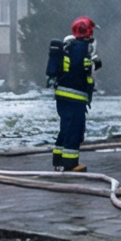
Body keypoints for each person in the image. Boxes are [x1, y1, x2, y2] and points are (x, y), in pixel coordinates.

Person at [46, 16, 98, 172]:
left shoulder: (69, 46)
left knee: (65, 128)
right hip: (75, 97)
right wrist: (94, 64)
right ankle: (71, 164)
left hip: (62, 95)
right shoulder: (82, 48)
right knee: (75, 130)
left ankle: (58, 158)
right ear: (88, 30)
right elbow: (82, 71)